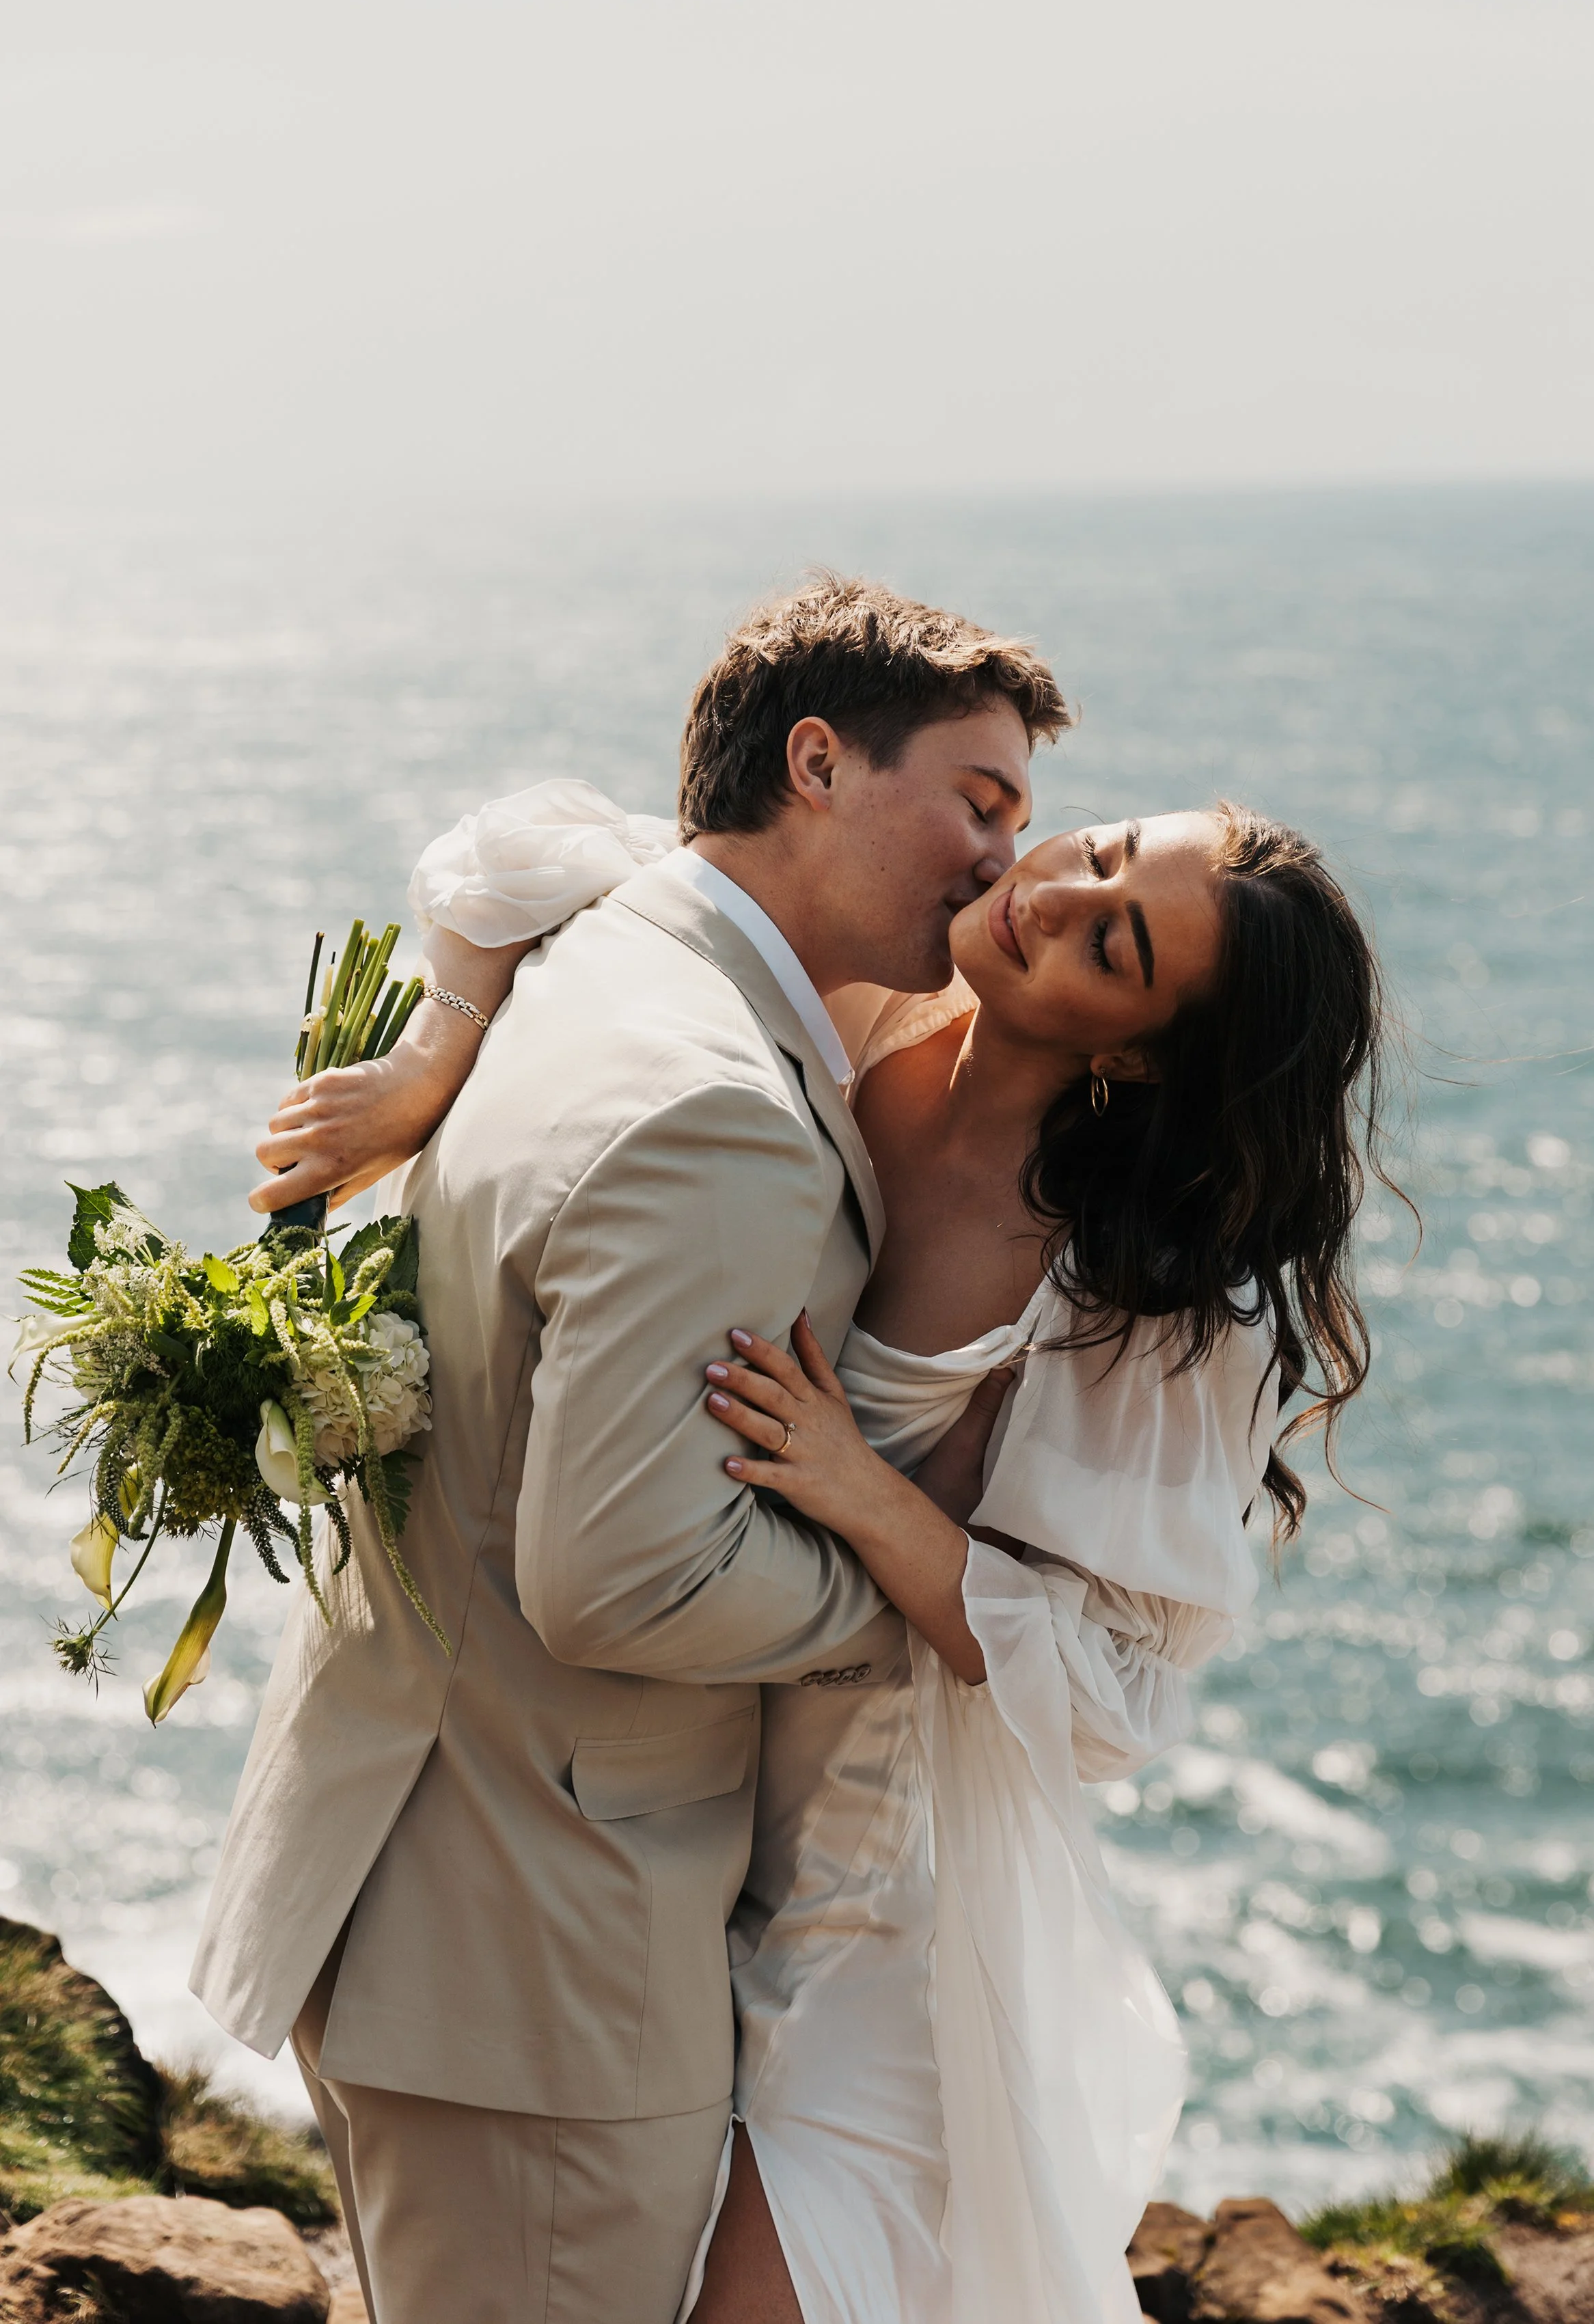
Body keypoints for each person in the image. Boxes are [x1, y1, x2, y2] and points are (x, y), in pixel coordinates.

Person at [255, 709, 1394, 2318]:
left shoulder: (1134, 1300)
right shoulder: (849, 1007)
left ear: (1133, 1050)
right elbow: (537, 857)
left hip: (877, 1904)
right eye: (1098, 850)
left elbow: (1113, 1696)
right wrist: (430, 1071)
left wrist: (862, 1495)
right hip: (660, 1834)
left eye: (1112, 945)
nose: (1052, 894)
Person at [190, 575, 1071, 2324]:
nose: (1002, 862)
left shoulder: (609, 947)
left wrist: (437, 1039)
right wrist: (914, 1604)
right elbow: (622, 1585)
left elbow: (506, 863)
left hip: (426, 1878)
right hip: (538, 1965)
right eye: (978, 801)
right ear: (814, 761)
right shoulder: (719, 1113)